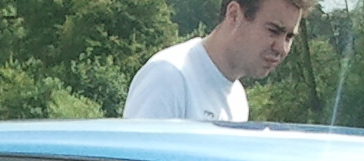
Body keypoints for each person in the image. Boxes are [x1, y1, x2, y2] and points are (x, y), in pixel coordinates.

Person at [123, 0, 310, 123]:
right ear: (234, 14)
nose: (282, 48)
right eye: (273, 31)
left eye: (289, 37)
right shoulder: (168, 75)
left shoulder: (237, 98)